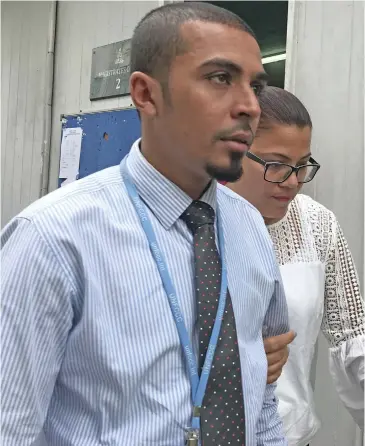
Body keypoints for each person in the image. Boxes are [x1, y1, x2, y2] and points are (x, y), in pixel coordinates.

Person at [1, 3, 293, 445]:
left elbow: (262, 394)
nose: (250, 106)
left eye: (256, 85)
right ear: (145, 94)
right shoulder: (54, 239)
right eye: (220, 79)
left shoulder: (250, 227)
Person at [225, 86, 365, 445]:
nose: (292, 183)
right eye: (276, 165)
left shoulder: (317, 225)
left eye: (302, 166)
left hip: (289, 433)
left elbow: (352, 337)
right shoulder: (197, 220)